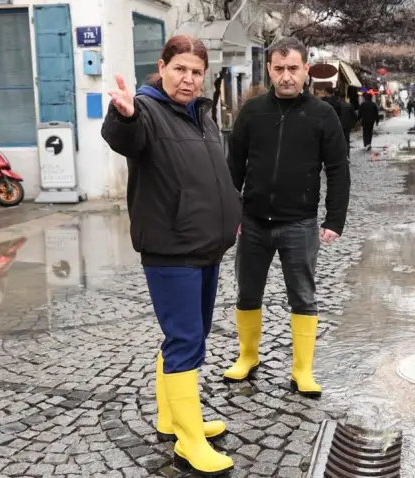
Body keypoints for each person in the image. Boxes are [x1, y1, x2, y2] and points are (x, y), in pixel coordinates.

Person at [101, 35, 241, 476]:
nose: (188, 79)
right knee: (185, 340)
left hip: (206, 245)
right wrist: (123, 114)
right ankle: (189, 441)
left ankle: (172, 418)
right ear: (162, 67)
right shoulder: (146, 111)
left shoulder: (201, 114)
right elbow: (127, 137)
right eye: (180, 68)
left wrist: (231, 212)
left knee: (189, 336)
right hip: (172, 248)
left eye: (196, 72)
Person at [225, 37, 351, 399]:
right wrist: (231, 211)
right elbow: (234, 166)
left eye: (293, 68)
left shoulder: (322, 115)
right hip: (253, 222)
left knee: (303, 296)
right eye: (279, 69)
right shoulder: (252, 112)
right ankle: (247, 356)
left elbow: (338, 169)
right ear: (269, 70)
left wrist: (334, 219)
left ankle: (302, 370)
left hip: (299, 223)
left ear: (306, 70)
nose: (286, 76)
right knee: (247, 291)